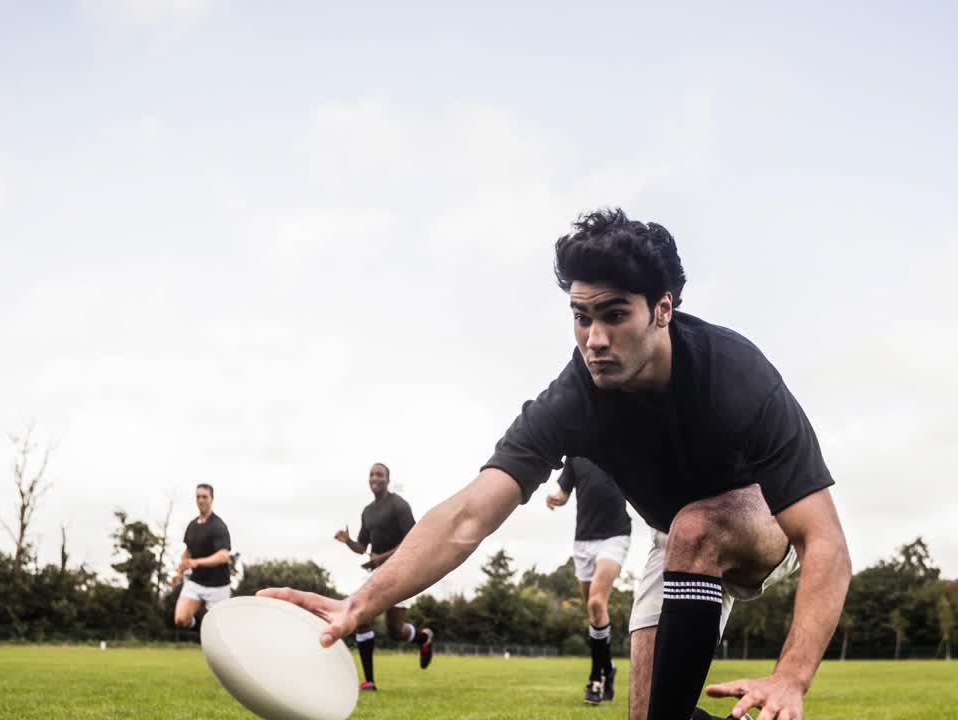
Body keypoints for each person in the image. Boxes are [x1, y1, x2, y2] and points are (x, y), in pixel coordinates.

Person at [262, 209, 851, 720]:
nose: (594, 338)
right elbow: (470, 514)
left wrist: (790, 677)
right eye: (580, 316)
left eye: (614, 315)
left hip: (759, 520)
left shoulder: (736, 376)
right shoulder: (573, 400)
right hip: (673, 542)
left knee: (696, 526)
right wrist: (360, 602)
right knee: (653, 710)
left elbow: (825, 540)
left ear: (662, 310)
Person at [333, 462, 435, 691]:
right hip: (377, 571)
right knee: (361, 617)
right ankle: (369, 681)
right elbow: (362, 546)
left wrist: (382, 558)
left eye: (379, 474)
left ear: (388, 479)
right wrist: (348, 541)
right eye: (371, 474)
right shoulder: (367, 512)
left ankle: (423, 639)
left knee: (395, 632)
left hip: (403, 568)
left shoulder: (399, 505)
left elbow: (413, 540)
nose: (374, 478)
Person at [545, 457, 632, 705]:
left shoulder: (619, 444)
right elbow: (564, 493)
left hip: (615, 536)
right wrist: (555, 499)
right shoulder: (575, 453)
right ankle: (608, 667)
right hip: (582, 541)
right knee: (593, 614)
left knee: (596, 603)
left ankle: (596, 678)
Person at [173, 483, 232, 628]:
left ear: (211, 499)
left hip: (219, 586)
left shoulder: (219, 526)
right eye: (198, 497)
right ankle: (196, 624)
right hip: (196, 583)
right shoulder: (192, 526)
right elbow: (188, 552)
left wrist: (197, 562)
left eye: (204, 497)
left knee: (219, 630)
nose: (201, 500)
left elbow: (223, 555)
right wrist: (179, 573)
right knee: (180, 620)